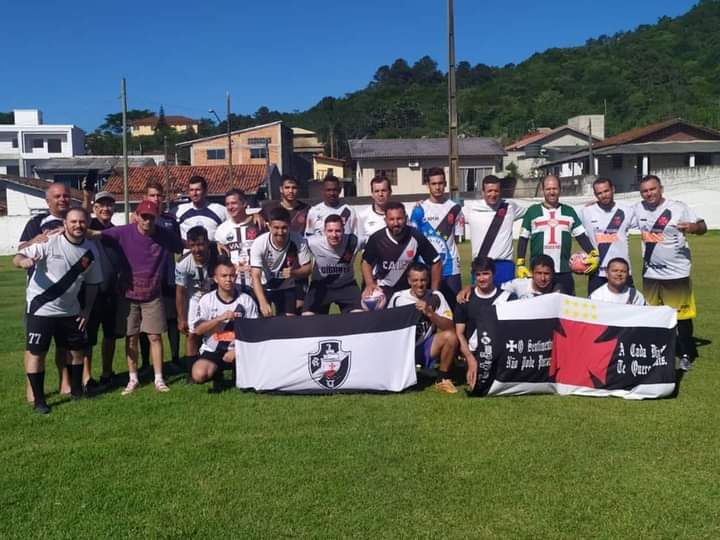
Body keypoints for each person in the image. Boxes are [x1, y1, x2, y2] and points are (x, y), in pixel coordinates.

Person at [14, 207, 103, 413]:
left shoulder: (90, 250)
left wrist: (86, 310)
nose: (77, 225)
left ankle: (76, 392)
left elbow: (92, 284)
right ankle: (39, 401)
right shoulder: (48, 242)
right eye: (73, 222)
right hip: (40, 310)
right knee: (37, 354)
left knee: (77, 352)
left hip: (71, 311)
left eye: (81, 222)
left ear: (87, 224)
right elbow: (17, 258)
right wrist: (24, 262)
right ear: (65, 224)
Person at [93, 200, 183, 395]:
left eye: (151, 217)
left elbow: (182, 245)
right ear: (136, 216)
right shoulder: (124, 231)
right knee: (131, 337)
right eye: (144, 217)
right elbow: (96, 234)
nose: (147, 221)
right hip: (128, 294)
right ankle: (132, 378)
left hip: (152, 294)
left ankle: (159, 378)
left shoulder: (164, 235)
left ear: (156, 218)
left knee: (154, 336)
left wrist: (212, 244)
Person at [634, 174, 707, 371]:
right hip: (650, 274)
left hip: (676, 273)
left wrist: (693, 227)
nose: (649, 193)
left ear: (661, 189)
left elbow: (703, 226)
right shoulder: (638, 208)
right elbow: (617, 214)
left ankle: (686, 354)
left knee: (681, 318)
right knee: (653, 316)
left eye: (652, 189)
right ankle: (658, 351)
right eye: (645, 191)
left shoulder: (678, 208)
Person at [18, 182, 73, 399]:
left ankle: (65, 382)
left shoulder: (73, 221)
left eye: (66, 196)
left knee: (65, 344)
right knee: (35, 346)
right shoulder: (36, 222)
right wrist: (35, 240)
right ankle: (31, 388)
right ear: (47, 201)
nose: (62, 200)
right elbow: (21, 250)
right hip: (40, 296)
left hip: (68, 294)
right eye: (57, 196)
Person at [516, 175, 598, 295]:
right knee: (539, 310)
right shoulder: (532, 211)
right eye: (548, 189)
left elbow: (580, 236)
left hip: (563, 271)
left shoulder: (569, 211)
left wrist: (593, 253)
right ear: (543, 190)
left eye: (554, 188)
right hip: (540, 272)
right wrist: (520, 264)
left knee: (566, 310)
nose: (552, 192)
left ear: (560, 189)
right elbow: (523, 238)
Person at [388, 264, 459, 394]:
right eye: (415, 280)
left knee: (451, 337)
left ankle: (442, 379)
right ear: (409, 281)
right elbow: (387, 329)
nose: (419, 284)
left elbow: (450, 327)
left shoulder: (436, 296)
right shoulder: (398, 298)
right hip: (402, 351)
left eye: (423, 280)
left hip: (425, 347)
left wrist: (430, 313)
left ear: (428, 280)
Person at [189, 260, 258, 392]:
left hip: (239, 348)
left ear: (236, 277)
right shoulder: (207, 300)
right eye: (224, 276)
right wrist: (219, 319)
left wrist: (237, 351)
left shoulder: (246, 300)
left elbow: (254, 332)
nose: (228, 279)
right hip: (213, 348)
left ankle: (237, 370)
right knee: (199, 375)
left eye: (232, 276)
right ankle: (217, 372)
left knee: (245, 384)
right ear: (215, 278)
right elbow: (198, 330)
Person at [454, 257, 515, 392]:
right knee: (478, 385)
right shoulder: (465, 299)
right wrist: (470, 359)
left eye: (486, 273)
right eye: (478, 275)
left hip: (501, 353)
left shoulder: (507, 298)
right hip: (475, 353)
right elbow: (459, 334)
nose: (482, 279)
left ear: (493, 273)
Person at [141, 179, 183, 372]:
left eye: (159, 196)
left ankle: (174, 359)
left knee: (172, 319)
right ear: (145, 197)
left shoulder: (171, 220)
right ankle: (145, 363)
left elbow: (179, 245)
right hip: (147, 279)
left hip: (168, 276)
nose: (156, 199)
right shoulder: (139, 219)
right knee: (145, 324)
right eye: (152, 195)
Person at [361, 202, 441, 301]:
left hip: (410, 292)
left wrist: (433, 292)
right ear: (385, 220)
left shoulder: (416, 236)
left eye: (399, 218)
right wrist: (370, 283)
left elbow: (436, 261)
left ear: (406, 218)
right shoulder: (377, 238)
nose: (396, 223)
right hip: (384, 291)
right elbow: (366, 263)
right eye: (391, 219)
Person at [83, 191, 121, 391]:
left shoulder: (116, 232)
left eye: (109, 205)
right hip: (91, 293)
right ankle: (87, 377)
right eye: (101, 205)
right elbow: (81, 219)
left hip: (112, 292)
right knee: (89, 337)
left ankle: (107, 373)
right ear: (95, 208)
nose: (105, 209)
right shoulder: (88, 227)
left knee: (110, 335)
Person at [410, 167, 463, 306]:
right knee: (427, 307)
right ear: (428, 185)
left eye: (440, 183)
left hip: (450, 267)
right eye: (433, 184)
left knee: (455, 307)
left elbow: (456, 239)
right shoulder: (418, 210)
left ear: (445, 184)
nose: (437, 187)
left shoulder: (455, 208)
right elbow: (413, 240)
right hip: (426, 268)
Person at [464, 175, 526, 285]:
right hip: (481, 266)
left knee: (506, 300)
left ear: (500, 191)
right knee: (481, 301)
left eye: (496, 191)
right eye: (489, 191)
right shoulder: (471, 209)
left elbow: (532, 211)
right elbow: (447, 214)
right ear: (483, 192)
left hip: (504, 266)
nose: (493, 194)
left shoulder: (509, 207)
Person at [250, 207, 312, 317]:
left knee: (288, 323)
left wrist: (294, 273)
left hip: (286, 287)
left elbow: (308, 268)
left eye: (284, 228)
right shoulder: (259, 243)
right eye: (276, 228)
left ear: (289, 226)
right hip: (265, 287)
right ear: (269, 226)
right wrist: (263, 303)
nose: (280, 232)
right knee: (263, 323)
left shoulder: (298, 240)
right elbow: (255, 275)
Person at [580, 178, 635, 295]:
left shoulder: (627, 211)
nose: (603, 195)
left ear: (613, 189)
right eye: (599, 193)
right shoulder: (586, 212)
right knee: (596, 310)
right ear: (595, 195)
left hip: (622, 271)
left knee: (628, 308)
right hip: (597, 271)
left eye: (606, 191)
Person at [175, 226, 218, 377]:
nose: (197, 249)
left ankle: (221, 363)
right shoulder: (182, 263)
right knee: (192, 334)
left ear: (207, 243)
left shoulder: (218, 255)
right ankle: (191, 372)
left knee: (219, 330)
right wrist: (181, 318)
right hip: (196, 296)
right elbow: (180, 291)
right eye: (192, 245)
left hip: (216, 295)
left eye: (200, 244)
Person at [303, 214, 363, 315]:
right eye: (330, 231)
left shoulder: (354, 241)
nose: (334, 235)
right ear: (324, 231)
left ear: (343, 231)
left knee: (359, 315)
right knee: (308, 317)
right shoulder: (313, 242)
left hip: (346, 285)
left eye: (338, 231)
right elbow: (294, 243)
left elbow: (375, 241)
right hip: (321, 286)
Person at [215, 188, 264, 294]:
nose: (230, 207)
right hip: (234, 284)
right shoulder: (222, 229)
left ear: (244, 203)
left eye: (234, 203)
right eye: (227, 204)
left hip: (259, 282)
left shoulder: (258, 223)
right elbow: (222, 259)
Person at [175, 175, 227, 241]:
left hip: (212, 250)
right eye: (191, 190)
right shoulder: (179, 210)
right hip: (188, 251)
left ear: (205, 191)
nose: (194, 193)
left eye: (198, 190)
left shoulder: (220, 210)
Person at [358, 175, 391, 245]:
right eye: (376, 191)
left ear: (390, 192)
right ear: (372, 194)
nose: (380, 194)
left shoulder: (399, 214)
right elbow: (359, 243)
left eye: (384, 190)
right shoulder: (362, 216)